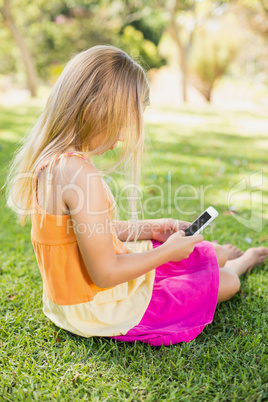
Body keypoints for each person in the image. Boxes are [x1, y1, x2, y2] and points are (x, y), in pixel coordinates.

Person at [4, 45, 268, 347]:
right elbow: (105, 273)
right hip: (98, 307)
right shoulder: (77, 172)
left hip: (74, 298)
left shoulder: (56, 164)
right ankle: (240, 264)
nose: (122, 136)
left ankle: (216, 260)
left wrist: (150, 227)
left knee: (210, 251)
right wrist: (167, 252)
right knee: (228, 280)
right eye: (122, 123)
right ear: (97, 110)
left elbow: (87, 235)